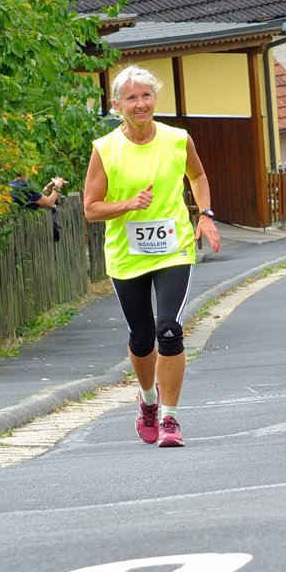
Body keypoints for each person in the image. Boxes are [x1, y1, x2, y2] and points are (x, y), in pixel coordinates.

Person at [83, 65, 220, 448]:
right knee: (143, 339)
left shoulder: (178, 139)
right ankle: (147, 400)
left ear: (154, 99)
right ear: (117, 105)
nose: (140, 104)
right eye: (131, 98)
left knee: (170, 331)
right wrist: (128, 204)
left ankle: (170, 419)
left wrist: (205, 214)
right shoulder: (105, 149)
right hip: (128, 255)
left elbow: (198, 176)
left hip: (173, 247)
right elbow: (90, 208)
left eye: (146, 96)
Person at [10, 173, 69, 241]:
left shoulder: (12, 184)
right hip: (26, 232)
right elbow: (49, 203)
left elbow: (38, 199)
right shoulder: (25, 186)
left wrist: (48, 188)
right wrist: (57, 186)